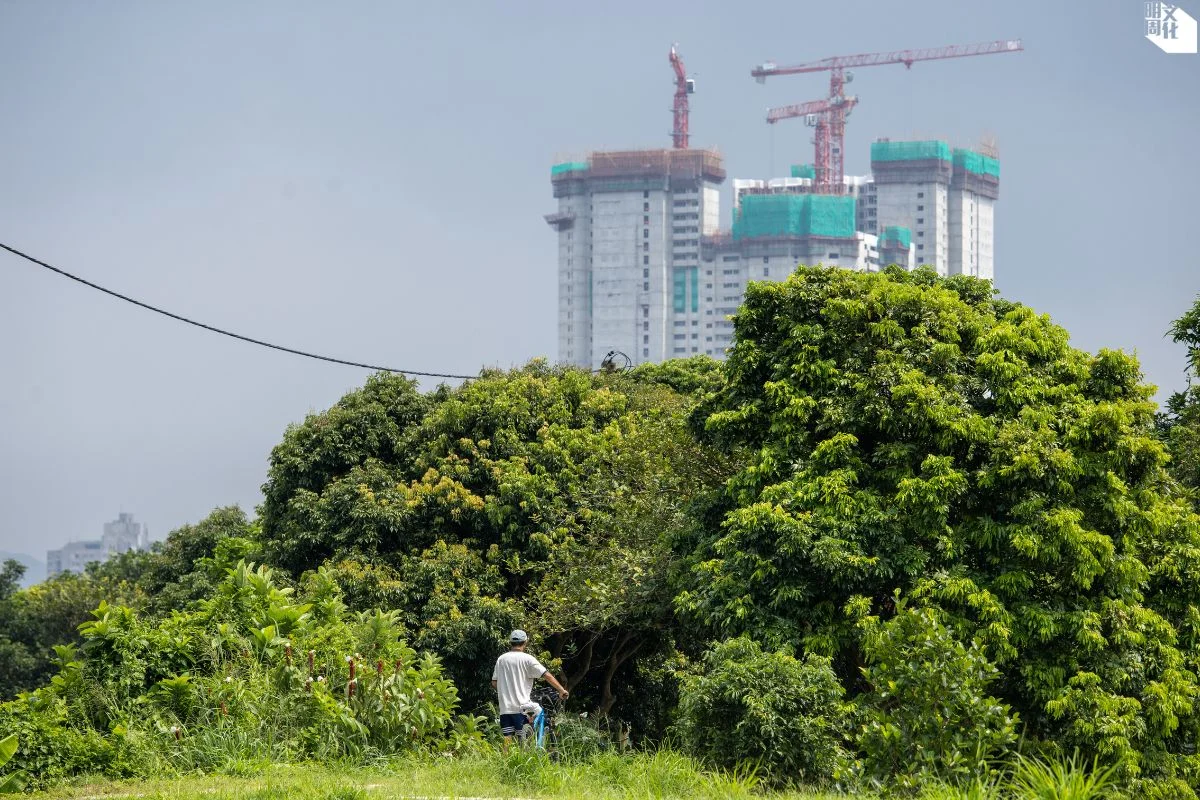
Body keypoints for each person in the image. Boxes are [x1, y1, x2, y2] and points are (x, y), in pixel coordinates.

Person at [491, 629, 569, 749]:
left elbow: (494, 683)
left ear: (510, 642)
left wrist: (506, 690)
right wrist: (561, 690)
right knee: (536, 718)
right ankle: (536, 748)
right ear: (525, 642)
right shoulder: (527, 659)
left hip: (505, 708)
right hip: (522, 707)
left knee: (507, 739)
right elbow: (546, 675)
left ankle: (505, 764)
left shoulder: (501, 659)